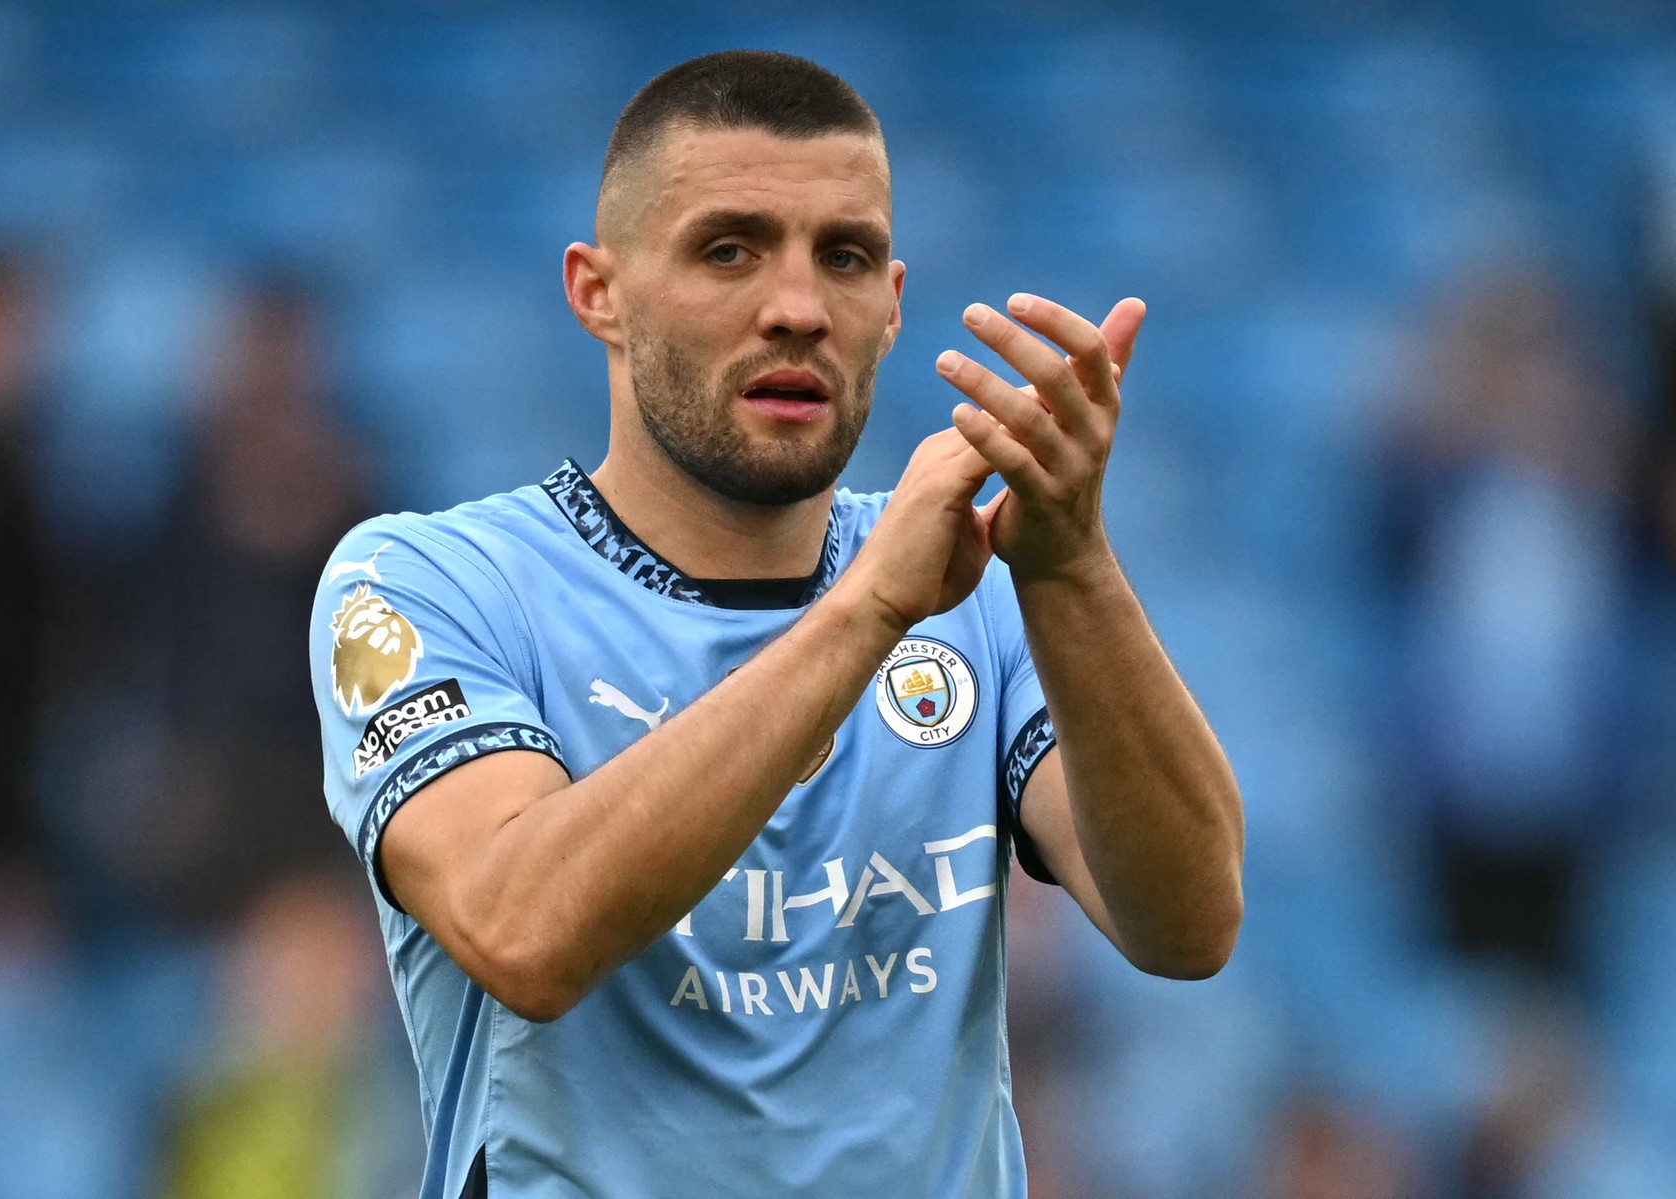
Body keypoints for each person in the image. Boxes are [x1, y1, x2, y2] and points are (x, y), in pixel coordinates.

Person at [310, 50, 1243, 1198]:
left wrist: (1077, 570)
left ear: (892, 306)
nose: (797, 307)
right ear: (597, 290)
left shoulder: (985, 591)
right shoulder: (429, 583)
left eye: (843, 257)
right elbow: (525, 929)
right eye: (728, 249)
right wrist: (868, 611)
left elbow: (1189, 923)